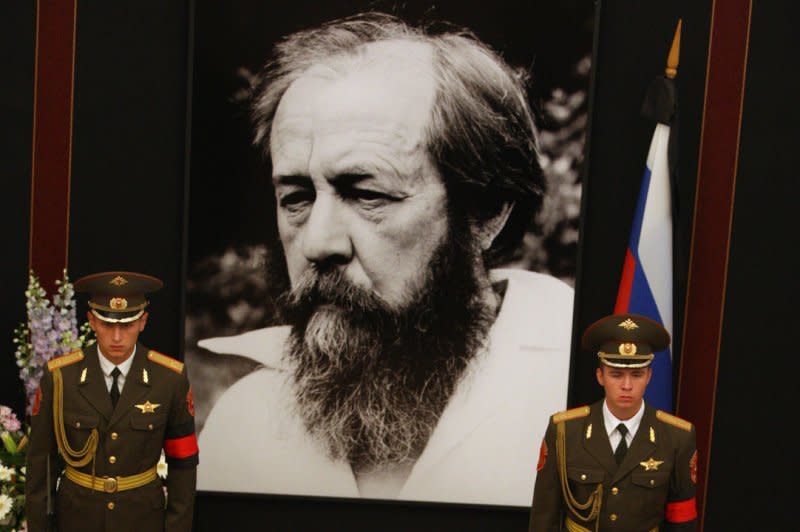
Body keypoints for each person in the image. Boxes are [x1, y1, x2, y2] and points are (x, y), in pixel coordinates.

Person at [196, 12, 574, 506]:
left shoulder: (581, 397)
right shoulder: (243, 426)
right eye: (296, 198)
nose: (317, 243)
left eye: (367, 194)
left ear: (485, 214)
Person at [25, 271, 198, 532]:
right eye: (107, 324)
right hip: (77, 519)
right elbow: (40, 463)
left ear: (143, 322)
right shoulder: (60, 378)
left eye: (127, 325)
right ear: (92, 321)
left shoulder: (169, 380)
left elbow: (183, 464)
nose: (117, 337)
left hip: (141, 520)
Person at [529, 313, 698, 531]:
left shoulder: (677, 437)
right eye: (616, 375)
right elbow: (544, 515)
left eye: (636, 375)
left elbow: (681, 518)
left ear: (649, 376)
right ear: (600, 376)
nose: (626, 385)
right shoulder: (564, 432)